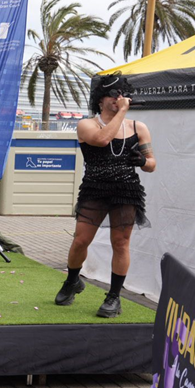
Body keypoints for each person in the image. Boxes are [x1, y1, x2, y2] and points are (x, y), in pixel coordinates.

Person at [55, 73, 155, 317]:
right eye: (113, 95)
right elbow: (101, 139)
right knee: (81, 240)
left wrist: (142, 160)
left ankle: (113, 297)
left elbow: (152, 164)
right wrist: (121, 112)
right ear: (101, 100)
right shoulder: (87, 125)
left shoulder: (138, 127)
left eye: (122, 95)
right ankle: (72, 280)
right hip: (95, 188)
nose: (118, 99)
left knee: (120, 243)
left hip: (126, 190)